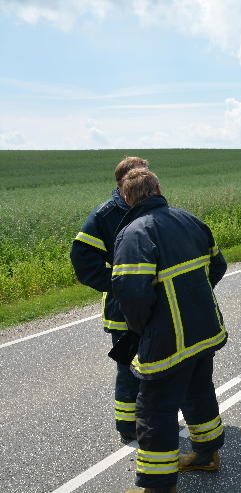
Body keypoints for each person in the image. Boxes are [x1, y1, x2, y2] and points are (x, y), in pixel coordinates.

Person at [112, 169, 228, 493]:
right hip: (205, 330)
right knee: (199, 391)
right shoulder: (190, 220)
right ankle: (208, 455)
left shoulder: (134, 234)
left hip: (167, 341)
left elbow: (132, 295)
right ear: (159, 189)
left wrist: (144, 327)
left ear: (125, 197)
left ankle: (157, 485)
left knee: (154, 410)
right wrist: (194, 299)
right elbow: (217, 265)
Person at [70, 156, 149, 443]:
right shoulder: (104, 215)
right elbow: (82, 260)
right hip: (123, 309)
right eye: (135, 178)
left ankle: (149, 419)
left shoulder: (146, 206)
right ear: (121, 183)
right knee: (127, 367)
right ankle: (127, 427)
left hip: (153, 306)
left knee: (155, 364)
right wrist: (119, 285)